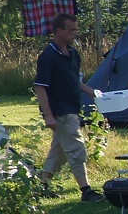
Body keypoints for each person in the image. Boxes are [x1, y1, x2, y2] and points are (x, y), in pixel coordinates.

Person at [33, 13, 101, 201]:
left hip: (72, 107)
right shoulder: (48, 56)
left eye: (76, 30)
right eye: (71, 30)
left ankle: (41, 186)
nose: (75, 33)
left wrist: (90, 91)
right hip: (59, 110)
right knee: (76, 148)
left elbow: (74, 80)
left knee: (60, 151)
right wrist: (48, 115)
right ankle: (86, 190)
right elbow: (40, 87)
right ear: (59, 31)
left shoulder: (73, 54)